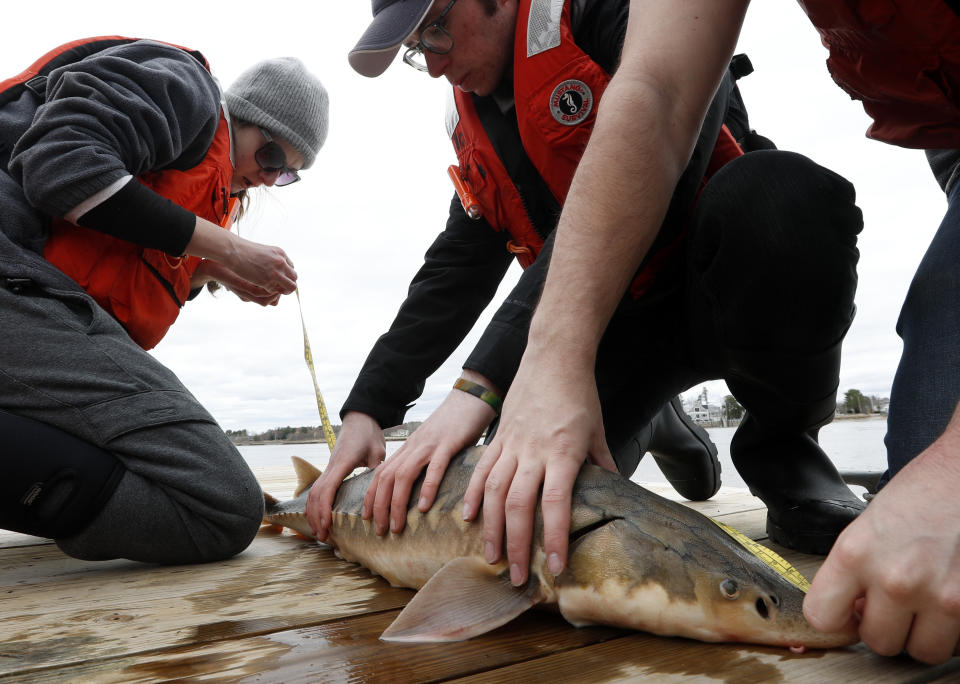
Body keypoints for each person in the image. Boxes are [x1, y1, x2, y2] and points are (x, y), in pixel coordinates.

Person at [345, 0, 960, 665]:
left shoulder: (601, 12)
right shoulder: (477, 128)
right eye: (417, 50)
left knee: (784, 197)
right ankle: (658, 421)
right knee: (522, 503)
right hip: (606, 341)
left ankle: (785, 455)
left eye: (436, 27)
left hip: (719, 284)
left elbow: (675, 120)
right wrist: (369, 407)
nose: (434, 64)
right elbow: (454, 270)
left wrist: (485, 380)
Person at [0, 37, 329, 565]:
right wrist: (231, 248)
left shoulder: (212, 196)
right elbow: (59, 162)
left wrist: (210, 269)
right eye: (270, 155)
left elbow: (108, 268)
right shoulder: (187, 87)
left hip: (32, 304)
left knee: (139, 481)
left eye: (287, 173)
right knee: (219, 504)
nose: (269, 177)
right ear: (238, 116)